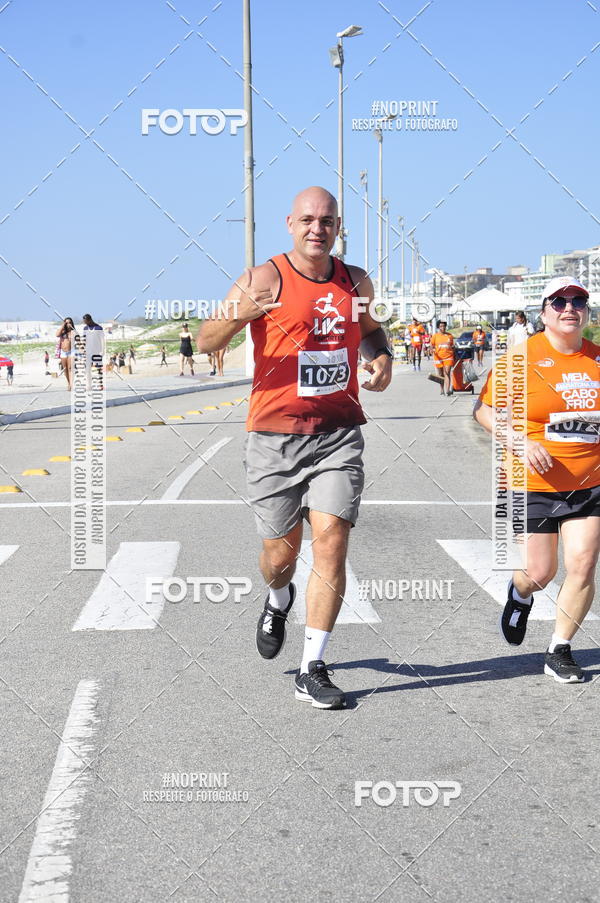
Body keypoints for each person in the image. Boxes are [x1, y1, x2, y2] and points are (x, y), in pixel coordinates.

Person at [197, 186, 393, 709]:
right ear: (290, 223)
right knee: (279, 556)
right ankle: (278, 597)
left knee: (331, 541)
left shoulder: (356, 281)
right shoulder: (265, 277)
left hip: (339, 433)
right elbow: (205, 341)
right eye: (307, 219)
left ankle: (313, 666)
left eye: (327, 221)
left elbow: (373, 332)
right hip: (274, 437)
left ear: (337, 226)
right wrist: (241, 315)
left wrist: (383, 357)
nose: (317, 228)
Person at [474, 276, 600, 683]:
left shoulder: (597, 360)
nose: (569, 308)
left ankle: (559, 649)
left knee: (582, 564)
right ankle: (519, 593)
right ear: (543, 311)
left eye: (578, 301)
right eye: (559, 301)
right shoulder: (520, 359)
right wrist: (520, 441)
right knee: (539, 573)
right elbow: (484, 410)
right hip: (530, 482)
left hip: (590, 481)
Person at [431, 321, 455, 396]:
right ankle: (442, 389)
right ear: (438, 327)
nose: (443, 328)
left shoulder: (450, 336)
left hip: (448, 357)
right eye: (441, 326)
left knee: (447, 372)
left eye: (444, 326)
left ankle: (447, 390)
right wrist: (431, 350)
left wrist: (453, 348)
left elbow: (452, 345)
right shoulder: (435, 336)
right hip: (438, 357)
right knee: (441, 374)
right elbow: (431, 345)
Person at [82, 313, 105, 388]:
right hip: (88, 352)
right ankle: (89, 385)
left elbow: (102, 340)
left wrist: (103, 351)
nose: (85, 323)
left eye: (85, 321)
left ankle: (100, 384)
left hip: (97, 351)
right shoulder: (85, 328)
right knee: (87, 368)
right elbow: (84, 340)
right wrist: (83, 349)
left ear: (89, 320)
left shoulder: (99, 328)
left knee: (98, 368)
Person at [56, 317, 76, 389]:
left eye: (69, 322)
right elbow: (57, 334)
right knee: (65, 369)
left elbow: (78, 337)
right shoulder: (62, 331)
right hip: (63, 352)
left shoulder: (73, 332)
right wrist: (63, 325)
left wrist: (72, 328)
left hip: (71, 351)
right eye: (66, 323)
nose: (68, 324)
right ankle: (68, 382)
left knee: (70, 368)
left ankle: (71, 384)